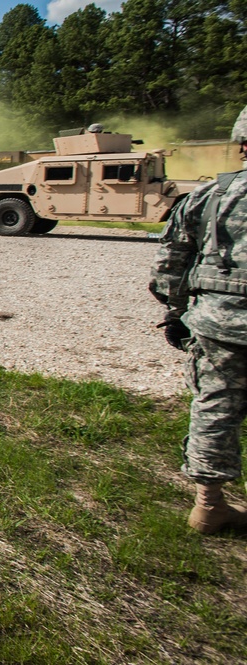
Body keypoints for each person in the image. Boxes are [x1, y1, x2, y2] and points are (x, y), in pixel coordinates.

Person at [149, 105, 247, 534]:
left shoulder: (211, 196)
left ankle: (208, 506)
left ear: (242, 144)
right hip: (217, 321)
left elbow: (169, 265)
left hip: (218, 323)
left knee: (215, 406)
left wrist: (176, 313)